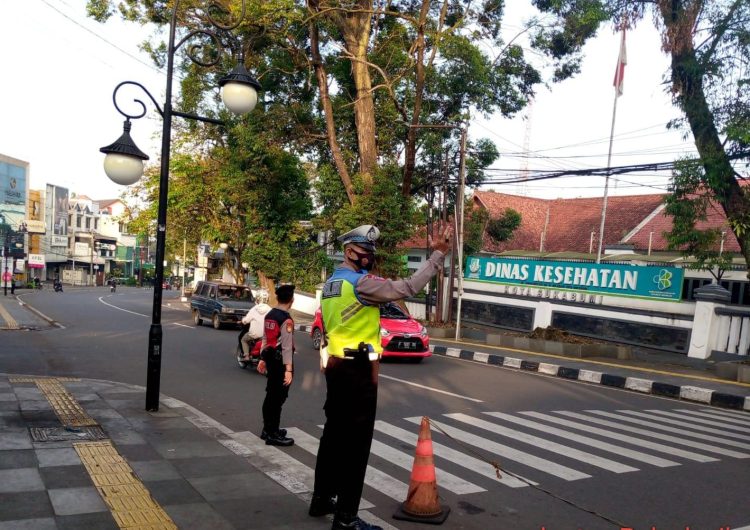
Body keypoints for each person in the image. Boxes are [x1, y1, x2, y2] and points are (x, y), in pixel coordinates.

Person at [309, 223, 453, 530]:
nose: (369, 258)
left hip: (336, 365)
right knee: (356, 445)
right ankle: (346, 518)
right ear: (349, 252)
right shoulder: (362, 284)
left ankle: (321, 499)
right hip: (359, 370)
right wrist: (437, 255)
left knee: (333, 437)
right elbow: (408, 288)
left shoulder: (333, 283)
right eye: (364, 252)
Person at [257, 284, 296, 447]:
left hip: (270, 359)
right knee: (278, 397)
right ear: (291, 300)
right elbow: (286, 347)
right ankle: (272, 434)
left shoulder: (270, 314)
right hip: (280, 362)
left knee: (271, 395)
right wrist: (289, 370)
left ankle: (267, 429)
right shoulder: (286, 319)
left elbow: (265, 339)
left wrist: (262, 358)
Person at [240, 289, 271, 360]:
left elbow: (246, 321)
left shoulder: (254, 309)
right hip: (266, 335)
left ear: (258, 298)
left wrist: (243, 320)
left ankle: (247, 356)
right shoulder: (270, 310)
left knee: (243, 340)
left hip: (254, 334)